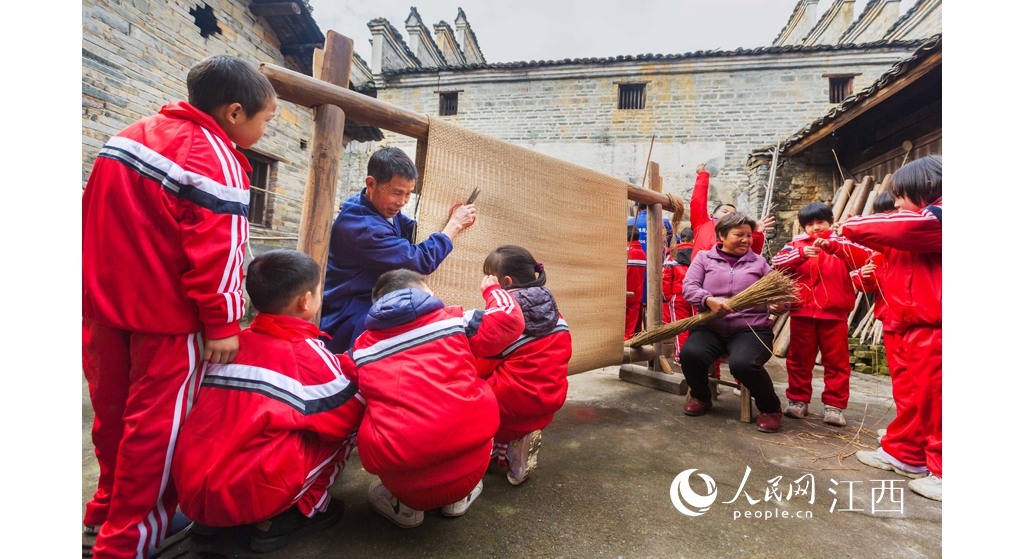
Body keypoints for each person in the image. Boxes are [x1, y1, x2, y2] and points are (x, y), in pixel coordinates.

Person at [81, 55, 277, 559]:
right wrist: (222, 323)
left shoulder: (129, 135)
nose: (265, 127)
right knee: (156, 434)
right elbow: (217, 253)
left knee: (113, 418)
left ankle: (105, 513)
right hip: (166, 321)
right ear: (235, 112)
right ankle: (130, 540)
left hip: (104, 310)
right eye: (266, 118)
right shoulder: (216, 157)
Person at [172, 250, 365, 553]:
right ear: (306, 301)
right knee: (347, 431)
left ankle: (215, 521)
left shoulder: (230, 344)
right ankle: (299, 513)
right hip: (251, 494)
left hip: (192, 486)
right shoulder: (305, 355)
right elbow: (348, 413)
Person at [349, 269, 525, 527]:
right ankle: (459, 499)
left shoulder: (362, 348)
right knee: (478, 389)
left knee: (368, 407)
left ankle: (405, 509)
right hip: (471, 468)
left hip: (404, 485)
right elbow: (510, 320)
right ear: (426, 292)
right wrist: (492, 290)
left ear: (378, 304)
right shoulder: (456, 322)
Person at [841, 156, 942, 501]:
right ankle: (906, 453)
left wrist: (852, 226)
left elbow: (903, 228)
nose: (896, 205)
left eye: (900, 196)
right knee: (913, 396)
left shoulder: (940, 216)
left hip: (935, 324)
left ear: (925, 187)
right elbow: (880, 253)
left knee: (939, 400)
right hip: (908, 322)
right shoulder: (917, 224)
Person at [321, 147, 477, 352]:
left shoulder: (371, 205)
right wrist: (454, 225)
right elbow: (419, 261)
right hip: (349, 312)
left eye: (408, 194)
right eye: (397, 192)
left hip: (368, 298)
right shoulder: (365, 228)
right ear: (371, 184)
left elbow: (408, 228)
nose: (402, 202)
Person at [678, 213, 784, 433]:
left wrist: (778, 305)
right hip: (710, 326)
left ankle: (770, 409)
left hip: (750, 329)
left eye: (749, 235)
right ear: (722, 236)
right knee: (690, 354)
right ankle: (701, 397)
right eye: (739, 235)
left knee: (743, 363)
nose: (746, 240)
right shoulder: (704, 259)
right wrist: (707, 299)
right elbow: (689, 287)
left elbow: (779, 294)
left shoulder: (760, 263)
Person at [771, 202, 873, 427]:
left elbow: (864, 259)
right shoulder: (795, 245)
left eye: (820, 222)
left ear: (830, 221)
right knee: (799, 360)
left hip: (834, 313)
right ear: (803, 227)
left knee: (837, 361)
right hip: (802, 312)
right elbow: (776, 264)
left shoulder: (843, 242)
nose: (816, 227)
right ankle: (798, 401)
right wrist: (800, 254)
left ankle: (834, 406)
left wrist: (834, 246)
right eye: (810, 224)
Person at [477, 246, 573, 485]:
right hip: (548, 402)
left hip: (508, 410)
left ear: (506, 282)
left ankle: (482, 453)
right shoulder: (554, 312)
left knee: (468, 387)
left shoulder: (504, 317)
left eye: (489, 276)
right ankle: (516, 448)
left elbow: (480, 366)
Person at [851, 191, 897, 443]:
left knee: (922, 388)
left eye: (894, 211)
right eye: (883, 213)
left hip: (916, 322)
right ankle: (906, 433)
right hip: (891, 320)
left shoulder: (919, 240)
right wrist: (865, 275)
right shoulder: (878, 251)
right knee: (902, 386)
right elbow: (864, 284)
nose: (889, 217)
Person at [663, 227, 695, 360]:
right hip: (698, 296)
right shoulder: (700, 253)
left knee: (680, 328)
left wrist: (668, 297)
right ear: (694, 239)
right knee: (697, 327)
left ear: (680, 239)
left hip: (679, 296)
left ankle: (681, 357)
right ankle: (695, 357)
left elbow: (665, 279)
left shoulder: (672, 256)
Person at [626, 225, 646, 340]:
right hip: (637, 295)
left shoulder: (625, 252)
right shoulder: (643, 254)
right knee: (630, 330)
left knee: (622, 326)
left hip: (624, 295)